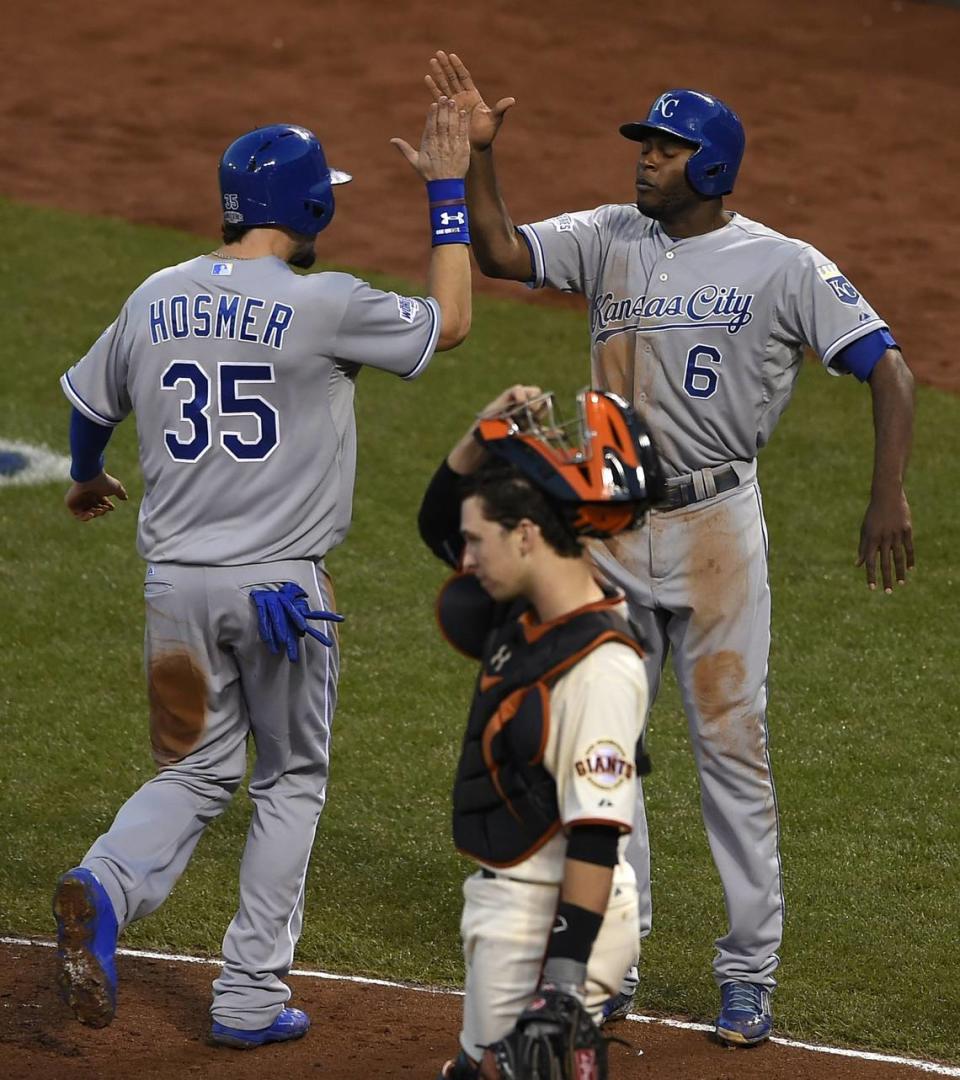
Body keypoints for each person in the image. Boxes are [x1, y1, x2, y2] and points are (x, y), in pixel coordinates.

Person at [422, 52, 916, 1046]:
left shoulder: (786, 264)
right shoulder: (611, 236)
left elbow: (890, 370)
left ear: (714, 168)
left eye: (667, 147)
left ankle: (749, 974)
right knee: (610, 751)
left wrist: (886, 496)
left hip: (718, 530)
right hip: (610, 529)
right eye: (645, 143)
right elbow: (503, 251)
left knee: (735, 751)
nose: (645, 158)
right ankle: (612, 964)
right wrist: (480, 159)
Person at [52, 99, 474, 1049]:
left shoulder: (153, 293)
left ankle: (106, 883)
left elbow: (87, 396)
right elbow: (448, 324)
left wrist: (86, 479)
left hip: (174, 592)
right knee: (288, 783)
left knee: (195, 771)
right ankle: (247, 998)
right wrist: (446, 192)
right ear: (311, 211)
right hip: (282, 593)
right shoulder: (324, 302)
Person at [418, 384, 663, 1079]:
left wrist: (560, 984)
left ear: (525, 536)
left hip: (549, 920)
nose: (463, 560)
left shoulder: (602, 667)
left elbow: (597, 831)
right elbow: (440, 520)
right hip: (511, 908)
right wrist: (482, 432)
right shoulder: (518, 614)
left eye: (477, 543)